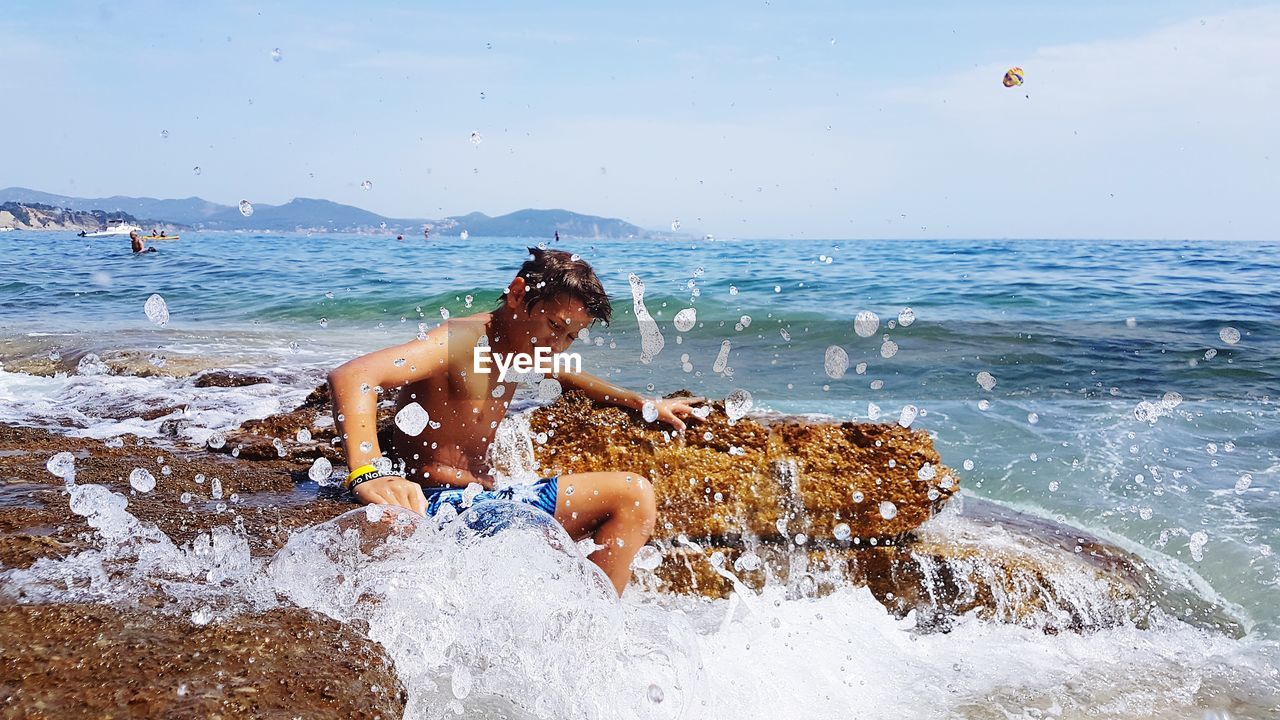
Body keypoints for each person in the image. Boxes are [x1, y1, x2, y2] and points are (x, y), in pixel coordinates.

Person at [327, 248, 704, 595]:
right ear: (518, 293)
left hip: (492, 500)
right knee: (540, 543)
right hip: (442, 506)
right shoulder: (462, 342)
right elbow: (354, 375)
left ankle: (597, 621)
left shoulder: (519, 346)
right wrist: (369, 471)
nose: (558, 344)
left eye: (571, 336)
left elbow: (563, 372)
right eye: (555, 327)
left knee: (633, 495)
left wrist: (639, 402)